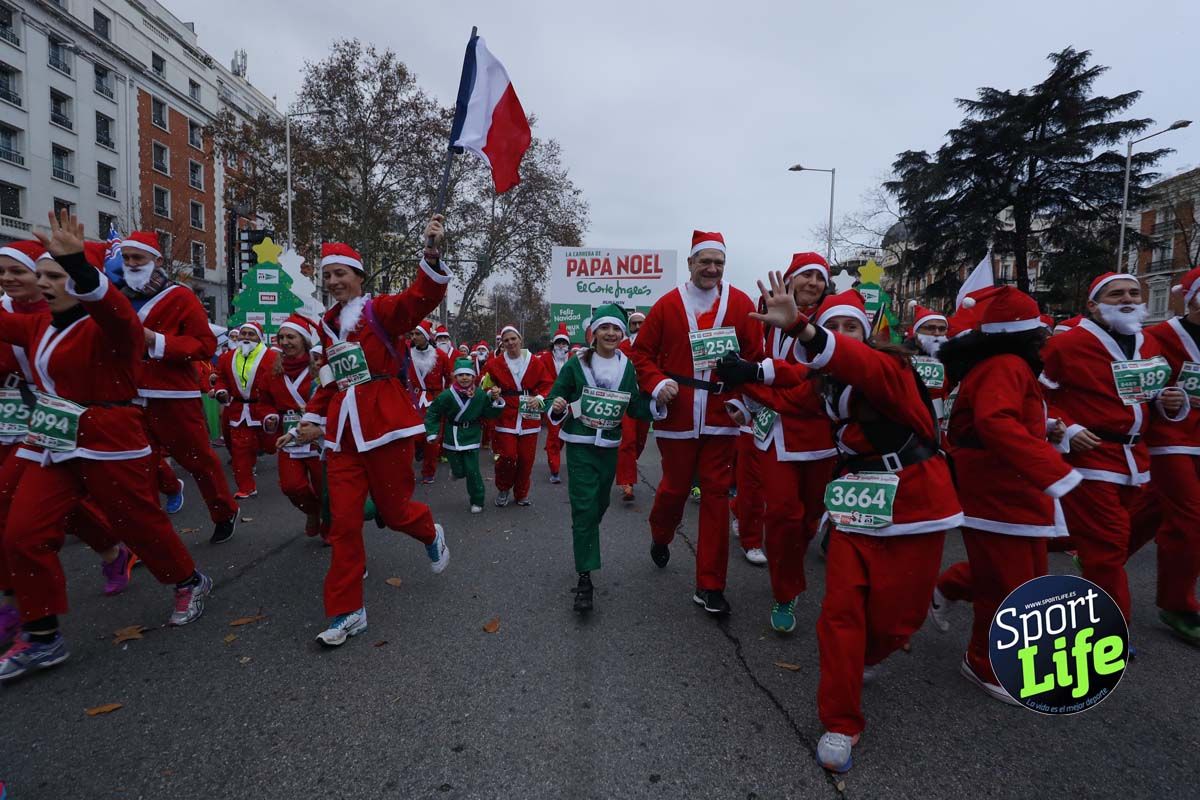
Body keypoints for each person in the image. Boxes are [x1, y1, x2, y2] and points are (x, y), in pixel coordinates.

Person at [750, 278, 962, 774]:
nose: (843, 334)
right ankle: (840, 721)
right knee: (840, 613)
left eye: (852, 327)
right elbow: (788, 396)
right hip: (855, 504)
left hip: (914, 503)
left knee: (896, 622)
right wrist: (735, 377)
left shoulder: (891, 368)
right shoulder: (825, 384)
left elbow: (857, 364)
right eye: (835, 326)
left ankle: (874, 650)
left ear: (867, 334)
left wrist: (804, 329)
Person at [0, 210, 211, 682]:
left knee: (140, 524)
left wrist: (78, 264)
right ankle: (41, 637)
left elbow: (113, 310)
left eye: (56, 275)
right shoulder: (37, 326)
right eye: (42, 276)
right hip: (53, 436)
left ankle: (189, 580)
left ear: (83, 279)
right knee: (22, 533)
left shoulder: (114, 326)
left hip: (110, 437)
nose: (45, 283)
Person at [291, 219, 450, 648]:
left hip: (385, 426)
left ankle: (429, 531)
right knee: (342, 523)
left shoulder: (380, 310)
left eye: (340, 273)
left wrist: (431, 255)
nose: (333, 281)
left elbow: (420, 299)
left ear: (359, 276)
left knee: (396, 513)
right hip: (342, 436)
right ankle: (348, 611)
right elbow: (329, 379)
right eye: (327, 275)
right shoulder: (326, 325)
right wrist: (312, 417)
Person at [929, 286, 1081, 703]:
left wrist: (1042, 429)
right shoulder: (1006, 365)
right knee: (1009, 584)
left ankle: (952, 586)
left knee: (1022, 576)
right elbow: (995, 422)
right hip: (998, 492)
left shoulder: (1008, 365)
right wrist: (1052, 470)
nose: (1047, 336)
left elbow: (1004, 417)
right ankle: (984, 663)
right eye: (1041, 330)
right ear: (1025, 333)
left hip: (1013, 490)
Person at [1040, 272, 1188, 624]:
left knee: (1095, 541)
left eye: (1134, 293)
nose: (1127, 299)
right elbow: (1037, 397)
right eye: (1116, 294)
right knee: (1107, 547)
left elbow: (1147, 396)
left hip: (1135, 459)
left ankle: (975, 577)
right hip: (1091, 459)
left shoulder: (1148, 343)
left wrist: (1167, 401)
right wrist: (1067, 428)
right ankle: (1108, 628)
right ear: (1093, 305)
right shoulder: (1067, 344)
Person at [631, 230, 764, 615]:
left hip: (722, 416)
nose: (712, 268)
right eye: (705, 261)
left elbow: (755, 358)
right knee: (673, 489)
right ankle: (661, 534)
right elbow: (642, 354)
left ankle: (710, 584)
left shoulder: (740, 304)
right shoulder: (667, 305)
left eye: (718, 262)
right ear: (690, 263)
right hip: (679, 416)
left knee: (716, 496)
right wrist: (658, 384)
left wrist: (742, 401)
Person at [719, 252, 837, 632]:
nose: (813, 283)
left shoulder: (832, 320)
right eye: (806, 276)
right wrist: (742, 401)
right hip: (776, 434)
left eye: (819, 278)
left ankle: (792, 560)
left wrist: (756, 378)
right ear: (790, 280)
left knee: (809, 519)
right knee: (784, 515)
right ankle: (785, 592)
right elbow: (751, 360)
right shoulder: (767, 320)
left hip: (822, 438)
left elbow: (809, 379)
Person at [111, 231, 240, 540]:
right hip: (128, 394)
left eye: (138, 257)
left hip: (173, 394)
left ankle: (224, 510)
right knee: (136, 465)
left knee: (198, 459)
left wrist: (157, 341)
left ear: (157, 260)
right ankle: (147, 536)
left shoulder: (180, 297)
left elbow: (205, 344)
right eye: (126, 258)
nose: (131, 263)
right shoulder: (116, 297)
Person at [547, 304, 664, 612]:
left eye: (616, 328)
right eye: (605, 328)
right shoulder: (576, 364)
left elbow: (634, 405)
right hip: (580, 445)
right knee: (584, 508)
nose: (611, 333)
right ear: (594, 332)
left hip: (609, 445)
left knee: (599, 504)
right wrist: (556, 405)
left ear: (622, 333)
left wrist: (657, 405)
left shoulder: (628, 366)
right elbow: (555, 395)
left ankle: (584, 532)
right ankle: (585, 579)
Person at [1135, 265, 1200, 644]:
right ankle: (1178, 605)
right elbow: (1135, 384)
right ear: (1191, 300)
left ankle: (1106, 552)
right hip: (1171, 436)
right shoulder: (1159, 336)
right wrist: (1163, 396)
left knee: (1159, 506)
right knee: (1191, 517)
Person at [263, 313, 325, 537]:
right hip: (289, 436)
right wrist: (270, 417)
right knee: (291, 487)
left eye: (291, 337)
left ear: (304, 340)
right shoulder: (273, 370)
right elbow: (265, 401)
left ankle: (329, 524)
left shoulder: (319, 366)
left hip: (317, 435)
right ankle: (312, 510)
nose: (285, 342)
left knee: (324, 487)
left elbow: (332, 399)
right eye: (281, 338)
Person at [483, 325, 554, 506]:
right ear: (502, 344)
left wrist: (539, 398)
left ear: (520, 340)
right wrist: (492, 392)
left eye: (513, 338)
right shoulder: (494, 364)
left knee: (526, 459)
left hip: (529, 415)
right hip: (506, 415)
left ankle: (521, 493)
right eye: (506, 340)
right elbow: (484, 385)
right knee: (507, 456)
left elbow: (547, 384)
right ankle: (503, 488)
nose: (510, 343)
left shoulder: (534, 362)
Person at [425, 359, 505, 513]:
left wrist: (496, 401)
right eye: (460, 375)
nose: (464, 378)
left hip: (472, 435)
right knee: (459, 469)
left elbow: (489, 413)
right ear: (455, 377)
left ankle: (477, 500)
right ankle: (456, 472)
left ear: (473, 377)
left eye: (468, 375)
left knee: (472, 471)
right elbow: (433, 412)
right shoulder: (447, 395)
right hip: (452, 435)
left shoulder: (480, 394)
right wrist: (432, 431)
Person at [213, 321, 279, 505]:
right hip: (238, 410)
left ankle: (259, 454)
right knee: (240, 449)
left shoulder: (272, 357)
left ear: (259, 337)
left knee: (269, 445)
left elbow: (279, 383)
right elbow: (221, 379)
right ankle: (246, 487)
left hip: (263, 409)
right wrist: (221, 391)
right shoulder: (227, 358)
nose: (246, 337)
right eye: (244, 333)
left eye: (251, 334)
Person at [407, 320, 453, 485]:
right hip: (412, 400)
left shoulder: (440, 356)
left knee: (432, 439)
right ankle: (417, 453)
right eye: (412, 334)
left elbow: (450, 378)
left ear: (426, 336)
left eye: (418, 334)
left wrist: (446, 398)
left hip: (434, 400)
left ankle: (429, 472)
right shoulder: (407, 354)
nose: (414, 337)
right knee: (413, 436)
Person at [615, 311, 649, 501]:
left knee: (640, 440)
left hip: (645, 400)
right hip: (626, 400)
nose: (637, 327)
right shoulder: (622, 347)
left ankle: (627, 463)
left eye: (641, 323)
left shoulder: (652, 346)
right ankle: (627, 482)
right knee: (627, 440)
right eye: (634, 324)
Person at [536, 323, 572, 484]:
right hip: (552, 401)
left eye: (564, 343)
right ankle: (555, 469)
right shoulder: (544, 359)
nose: (561, 346)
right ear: (554, 344)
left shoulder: (574, 359)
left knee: (568, 435)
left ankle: (554, 450)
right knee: (554, 435)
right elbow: (540, 379)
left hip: (572, 404)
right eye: (559, 342)